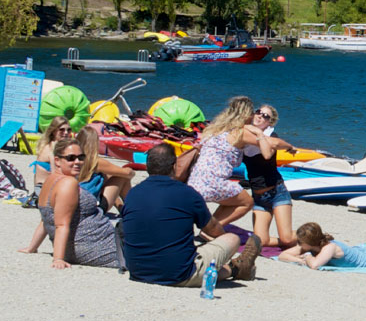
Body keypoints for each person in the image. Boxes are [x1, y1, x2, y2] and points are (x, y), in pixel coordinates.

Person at [119, 144, 260, 286]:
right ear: (174, 166)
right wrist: (220, 244)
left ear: (148, 166)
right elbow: (212, 229)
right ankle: (234, 270)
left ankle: (234, 269)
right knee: (232, 239)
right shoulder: (187, 193)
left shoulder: (133, 193)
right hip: (178, 274)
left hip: (137, 271)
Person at [19, 138, 124, 271]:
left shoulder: (51, 180)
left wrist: (32, 247)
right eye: (71, 158)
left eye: (81, 157)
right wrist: (58, 259)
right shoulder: (68, 183)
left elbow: (46, 219)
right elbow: (61, 224)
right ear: (57, 161)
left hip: (90, 243)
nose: (77, 162)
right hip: (97, 246)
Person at [182, 96, 264, 232]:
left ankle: (210, 228)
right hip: (214, 182)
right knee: (247, 202)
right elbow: (270, 144)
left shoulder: (214, 129)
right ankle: (211, 230)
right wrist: (262, 134)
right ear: (247, 115)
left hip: (195, 180)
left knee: (231, 200)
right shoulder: (240, 133)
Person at [242, 104, 299, 247]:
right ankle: (302, 241)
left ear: (270, 123)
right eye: (258, 112)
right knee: (261, 241)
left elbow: (268, 153)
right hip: (259, 196)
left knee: (286, 239)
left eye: (265, 116)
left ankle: (314, 237)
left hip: (276, 192)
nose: (260, 116)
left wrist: (258, 133)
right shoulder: (244, 132)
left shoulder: (271, 136)